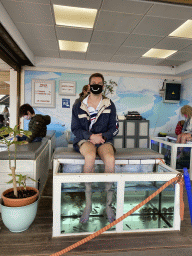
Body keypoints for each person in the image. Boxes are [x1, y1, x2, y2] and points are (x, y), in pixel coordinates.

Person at [71, 73, 119, 224]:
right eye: (94, 83)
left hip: (104, 140)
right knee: (90, 156)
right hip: (86, 140)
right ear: (89, 85)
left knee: (110, 159)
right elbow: (75, 129)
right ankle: (88, 204)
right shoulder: (78, 105)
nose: (96, 85)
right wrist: (90, 137)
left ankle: (109, 205)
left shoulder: (109, 104)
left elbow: (115, 128)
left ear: (103, 86)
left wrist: (102, 136)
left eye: (99, 83)